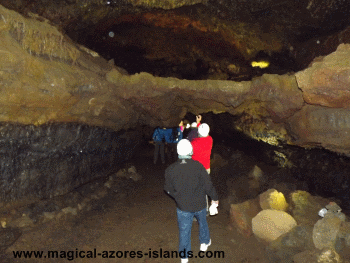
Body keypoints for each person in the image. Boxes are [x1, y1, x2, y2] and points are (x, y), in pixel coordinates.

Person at [164, 139, 219, 263]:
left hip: (183, 206)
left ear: (178, 152)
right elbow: (208, 185)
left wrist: (177, 196)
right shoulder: (198, 166)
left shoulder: (170, 169)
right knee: (203, 223)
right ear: (191, 151)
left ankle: (184, 257)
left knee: (184, 231)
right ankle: (204, 243)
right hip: (200, 204)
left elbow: (167, 189)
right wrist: (214, 199)